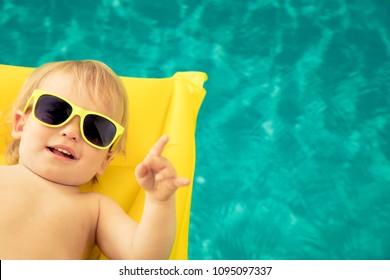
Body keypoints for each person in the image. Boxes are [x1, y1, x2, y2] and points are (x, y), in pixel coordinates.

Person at [0, 60, 190, 259]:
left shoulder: (96, 210)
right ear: (20, 125)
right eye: (55, 112)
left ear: (104, 161)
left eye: (95, 129)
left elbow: (144, 261)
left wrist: (159, 202)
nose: (71, 132)